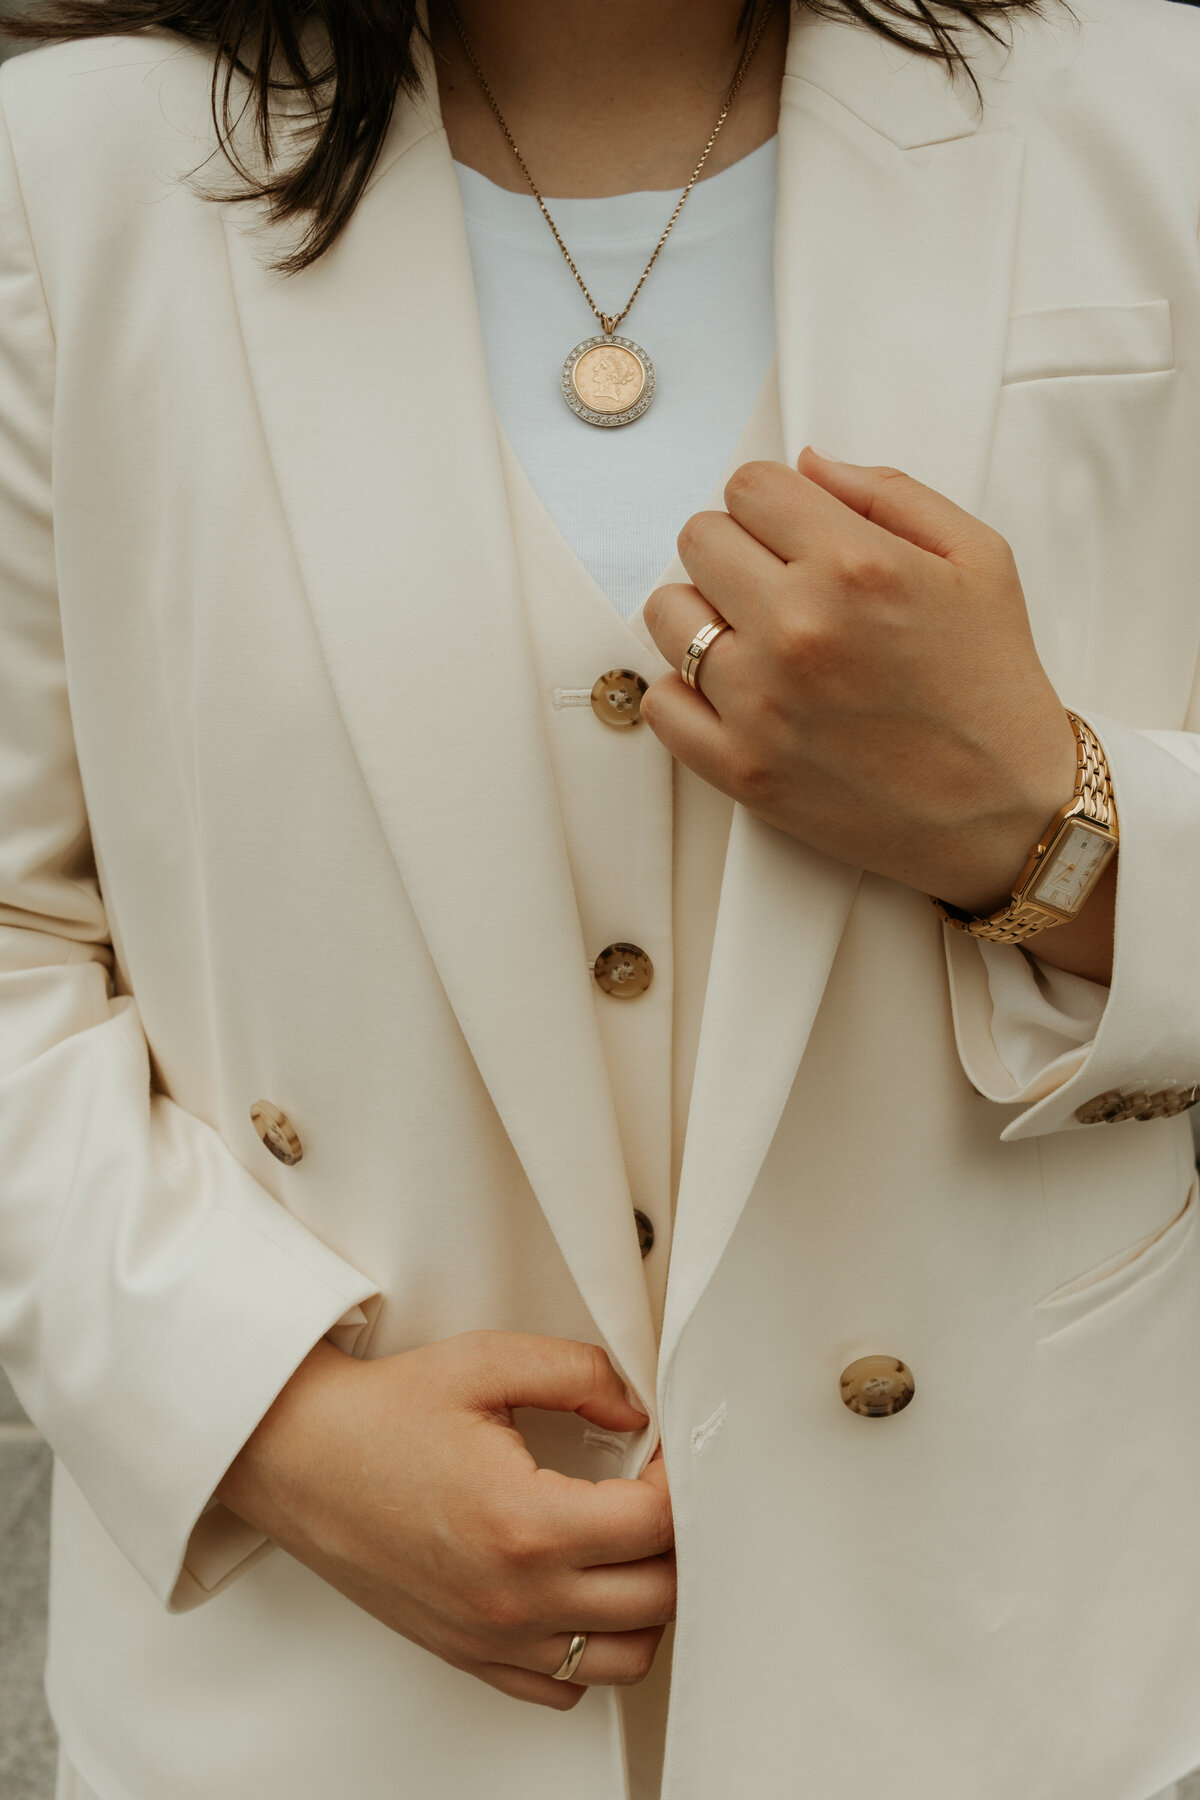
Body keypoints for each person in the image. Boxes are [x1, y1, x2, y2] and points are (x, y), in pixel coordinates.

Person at [1, 0, 1199, 1794]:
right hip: (318, 1700)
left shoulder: (1159, 112)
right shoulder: (60, 185)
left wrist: (1050, 818)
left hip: (998, 1655)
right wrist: (261, 1416)